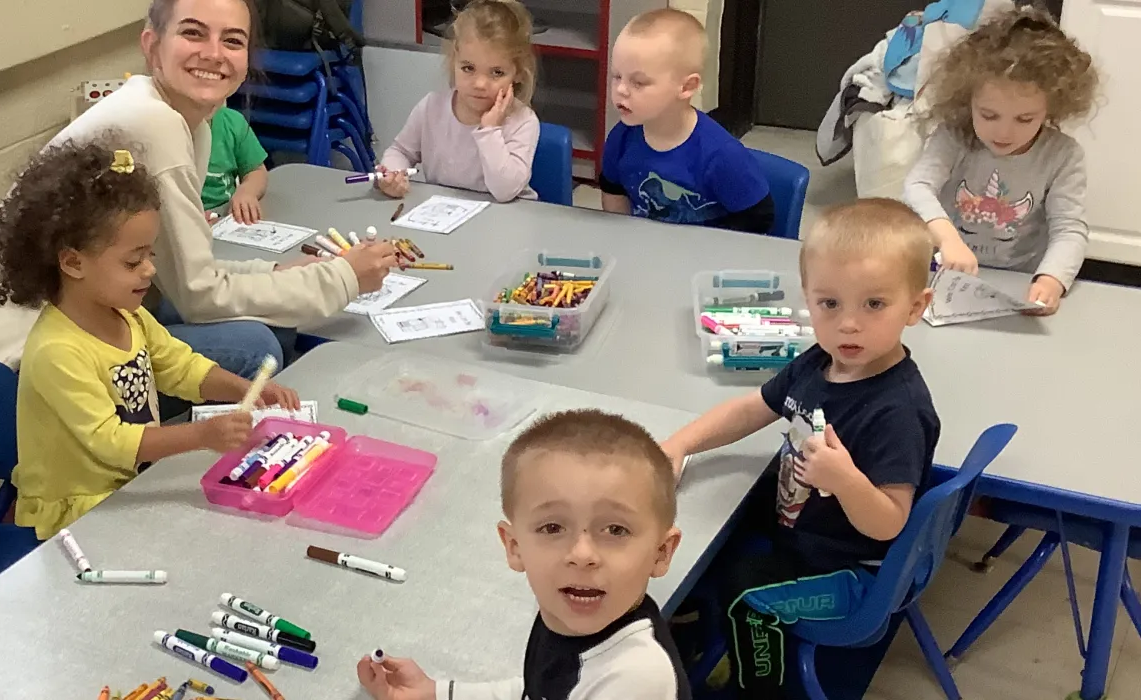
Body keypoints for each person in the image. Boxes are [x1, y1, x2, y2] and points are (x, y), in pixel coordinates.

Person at [0, 0, 400, 374]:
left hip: (49, 319)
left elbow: (180, 269)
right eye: (193, 33)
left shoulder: (187, 118)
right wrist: (343, 278)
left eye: (233, 41)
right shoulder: (153, 124)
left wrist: (275, 274)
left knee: (273, 319)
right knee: (257, 345)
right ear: (152, 45)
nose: (214, 53)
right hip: (13, 359)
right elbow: (199, 296)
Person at [658, 199, 939, 699]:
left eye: (874, 304)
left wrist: (845, 480)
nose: (848, 324)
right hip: (806, 529)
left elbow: (890, 522)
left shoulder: (896, 412)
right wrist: (681, 444)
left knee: (748, 597)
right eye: (830, 304)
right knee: (713, 515)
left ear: (915, 307)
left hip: (853, 575)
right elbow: (754, 407)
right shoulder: (820, 360)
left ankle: (756, 689)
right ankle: (696, 624)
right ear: (808, 299)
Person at [0, 135, 300, 537]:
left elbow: (181, 367)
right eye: (133, 261)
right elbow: (111, 442)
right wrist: (202, 434)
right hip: (77, 512)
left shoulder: (126, 315)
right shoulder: (56, 351)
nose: (149, 271)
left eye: (150, 255)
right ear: (72, 262)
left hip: (130, 482)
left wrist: (246, 389)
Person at [358, 409, 692, 700]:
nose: (581, 555)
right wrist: (437, 693)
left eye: (615, 530)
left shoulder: (636, 679)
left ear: (661, 553)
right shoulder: (563, 615)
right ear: (514, 546)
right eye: (552, 528)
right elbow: (541, 690)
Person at [902, 6, 1098, 315]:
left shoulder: (1062, 154)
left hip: (1017, 282)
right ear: (967, 99)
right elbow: (917, 186)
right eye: (989, 115)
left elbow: (1069, 228)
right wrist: (949, 240)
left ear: (1053, 107)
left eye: (1025, 118)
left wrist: (1051, 280)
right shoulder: (954, 136)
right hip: (945, 276)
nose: (1004, 132)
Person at [599, 9, 774, 234]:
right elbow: (613, 191)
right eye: (617, 76)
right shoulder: (620, 137)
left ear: (687, 87)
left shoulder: (722, 156)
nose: (621, 89)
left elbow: (758, 218)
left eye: (639, 82)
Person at [374, 0, 541, 203]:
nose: (479, 84)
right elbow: (400, 151)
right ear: (454, 61)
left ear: (518, 74)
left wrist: (489, 131)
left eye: (497, 72)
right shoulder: (431, 108)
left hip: (505, 222)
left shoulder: (522, 121)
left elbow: (505, 191)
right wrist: (392, 175)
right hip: (446, 220)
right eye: (468, 68)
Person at [203, 106, 270, 224]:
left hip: (224, 218)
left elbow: (255, 171)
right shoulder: (162, 130)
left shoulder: (232, 123)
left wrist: (247, 191)